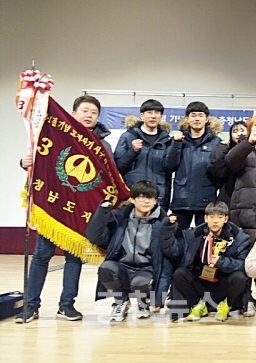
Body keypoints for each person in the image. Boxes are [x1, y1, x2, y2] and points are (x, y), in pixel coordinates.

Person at [16, 95, 112, 323]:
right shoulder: (55, 134)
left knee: (74, 258)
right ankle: (31, 306)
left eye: (94, 113)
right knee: (41, 255)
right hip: (53, 206)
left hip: (81, 210)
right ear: (73, 113)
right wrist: (24, 162)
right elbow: (41, 161)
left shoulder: (103, 144)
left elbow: (107, 176)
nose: (89, 116)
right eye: (85, 111)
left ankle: (67, 305)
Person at [86, 180, 172, 322]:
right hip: (123, 266)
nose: (147, 201)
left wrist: (159, 298)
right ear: (132, 199)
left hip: (147, 269)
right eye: (142, 197)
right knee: (106, 268)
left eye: (151, 198)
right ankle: (121, 301)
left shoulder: (163, 223)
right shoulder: (120, 218)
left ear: (156, 200)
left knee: (140, 283)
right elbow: (95, 236)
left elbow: (167, 262)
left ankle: (143, 303)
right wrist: (103, 211)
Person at [160, 201, 251, 322]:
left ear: (226, 219)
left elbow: (243, 265)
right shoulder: (193, 235)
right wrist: (166, 229)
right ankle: (198, 305)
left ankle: (226, 305)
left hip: (223, 283)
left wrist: (221, 261)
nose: (215, 221)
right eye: (211, 217)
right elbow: (173, 251)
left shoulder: (239, 238)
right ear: (205, 218)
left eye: (220, 217)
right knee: (180, 273)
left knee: (239, 277)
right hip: (202, 281)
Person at [166, 101, 222, 230]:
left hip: (206, 199)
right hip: (182, 199)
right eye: (193, 115)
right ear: (187, 119)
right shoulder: (178, 140)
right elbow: (169, 166)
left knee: (204, 237)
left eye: (200, 115)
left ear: (206, 119)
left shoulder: (216, 142)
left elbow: (219, 171)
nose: (197, 119)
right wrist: (176, 144)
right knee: (178, 236)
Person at [114, 99, 173, 211]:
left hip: (157, 197)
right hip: (132, 197)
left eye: (157, 113)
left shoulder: (167, 140)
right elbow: (118, 167)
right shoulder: (128, 136)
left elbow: (169, 168)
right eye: (149, 112)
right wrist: (132, 151)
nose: (153, 116)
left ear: (161, 117)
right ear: (142, 115)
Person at [208, 120, 248, 206]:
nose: (239, 134)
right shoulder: (226, 150)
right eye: (235, 131)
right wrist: (221, 148)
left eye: (242, 130)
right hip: (228, 195)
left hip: (247, 196)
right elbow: (216, 172)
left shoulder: (254, 150)